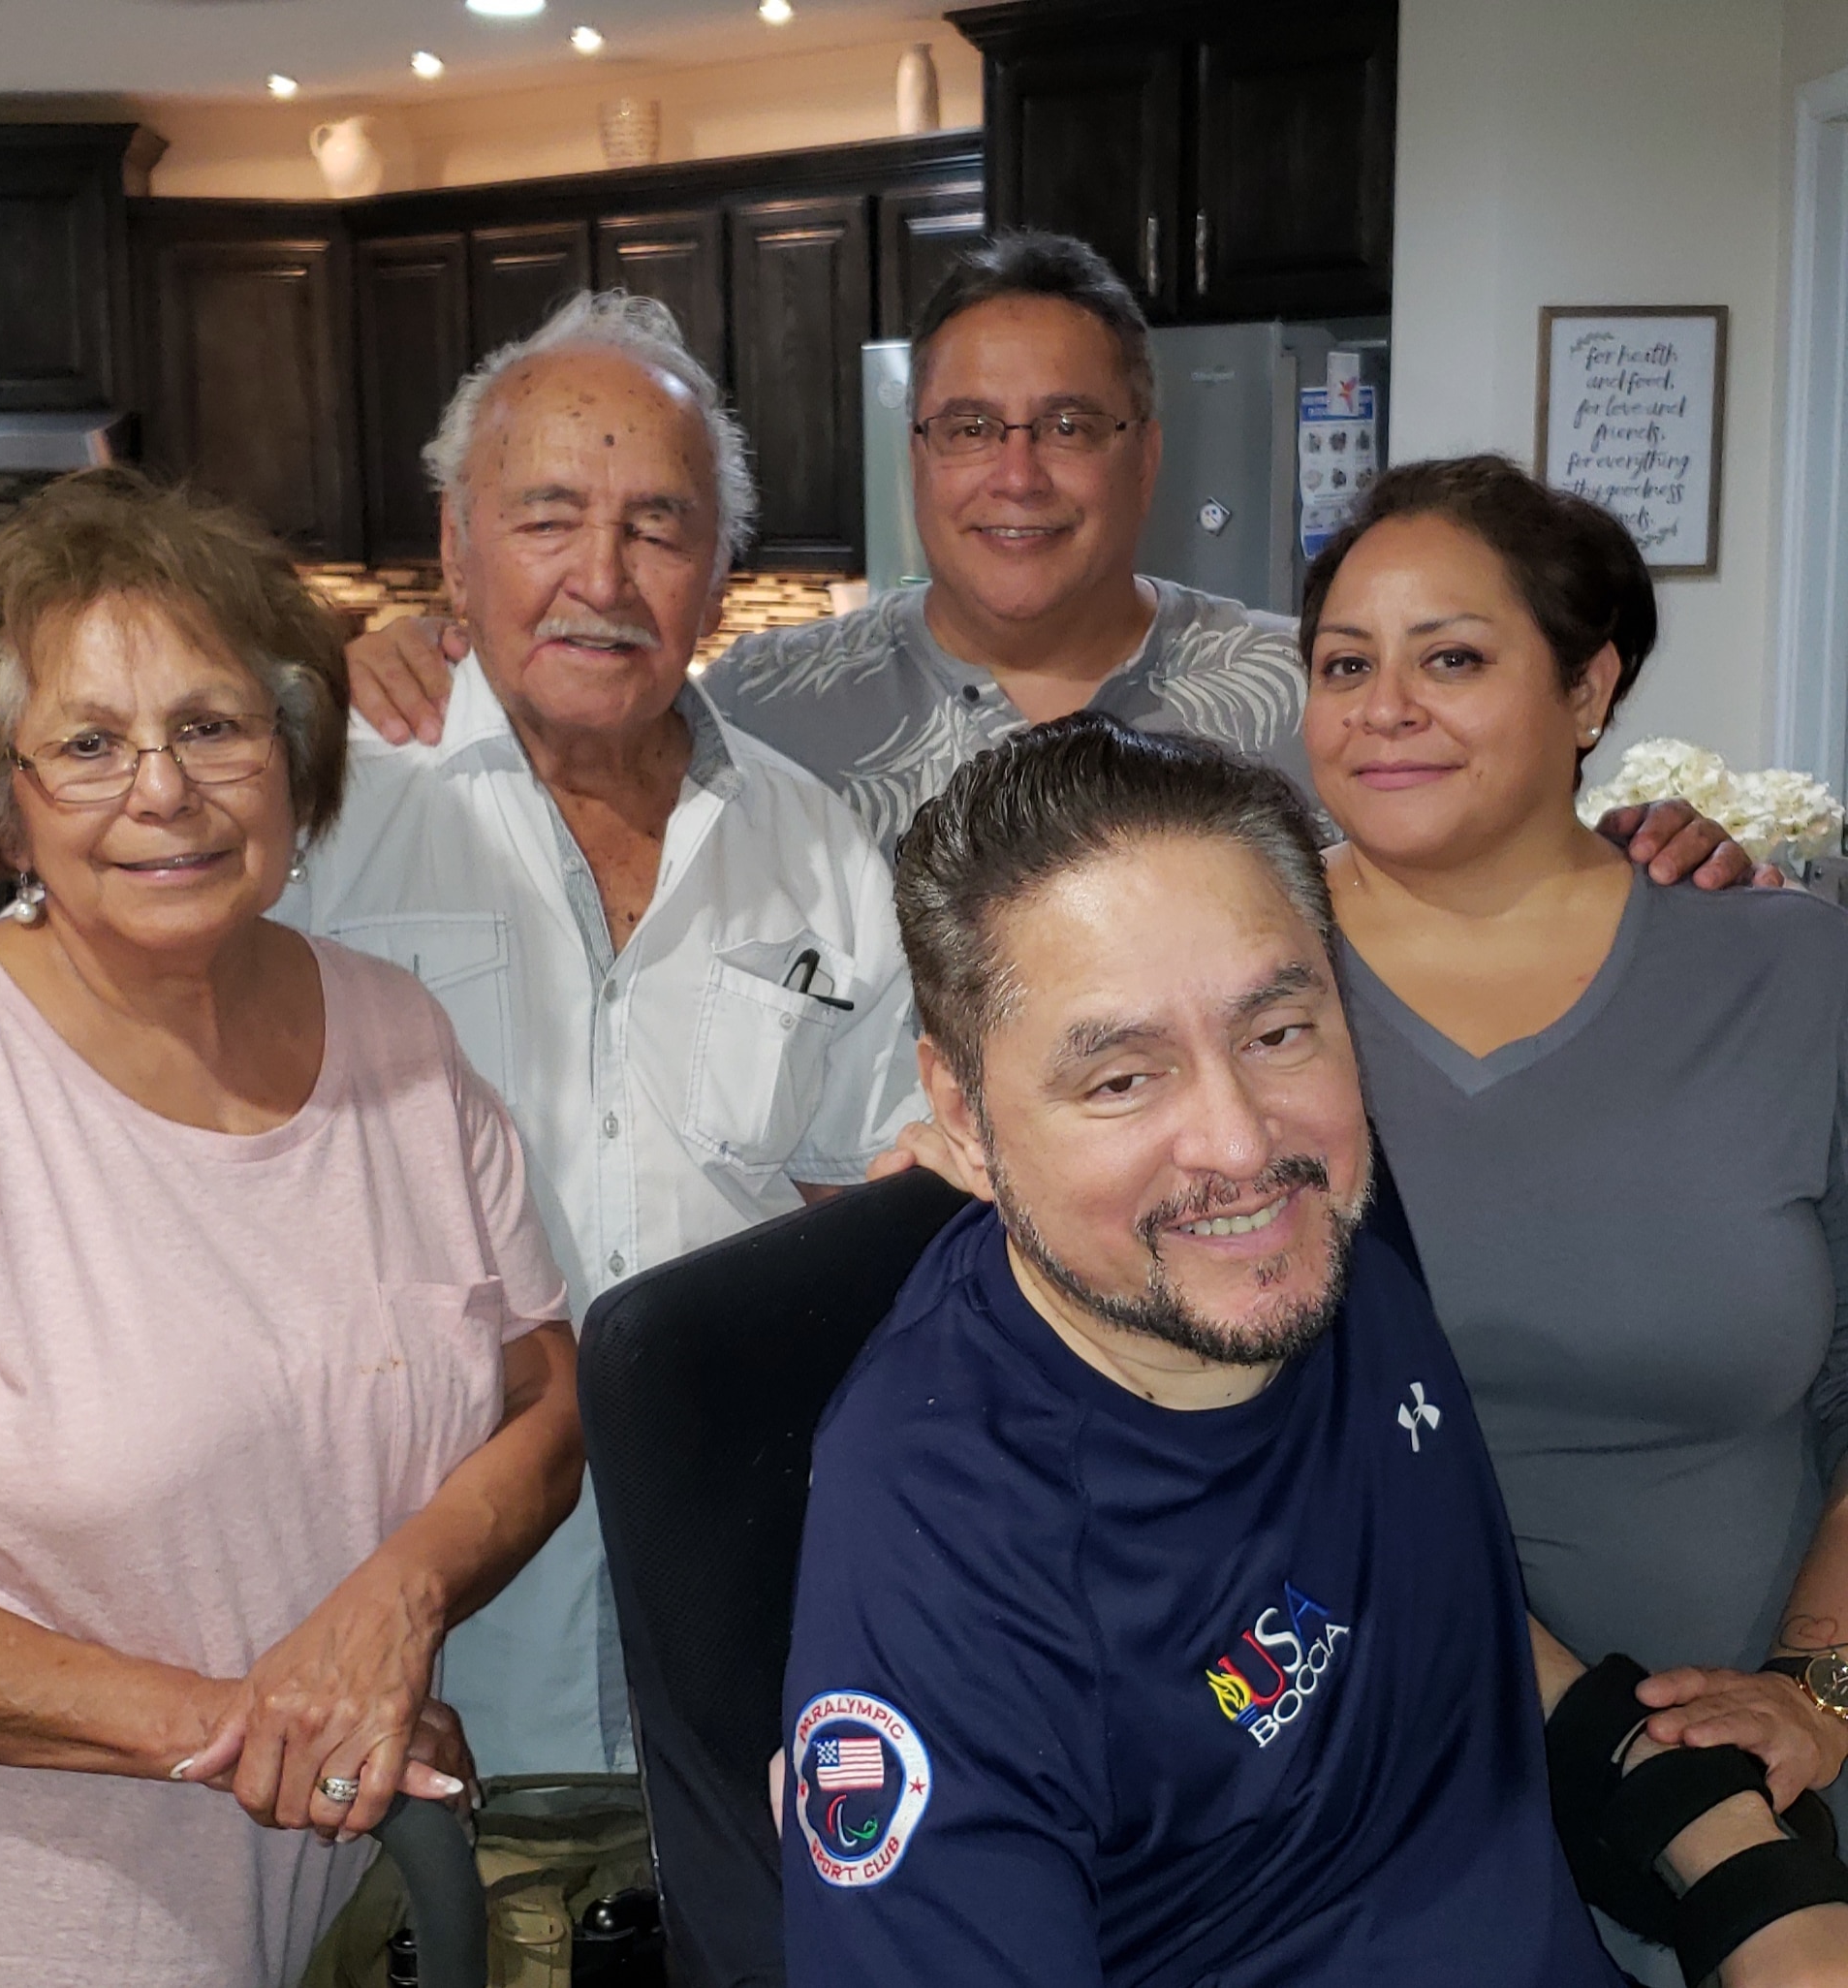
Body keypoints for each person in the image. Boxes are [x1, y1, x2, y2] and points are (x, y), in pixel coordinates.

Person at [781, 714, 1840, 1988]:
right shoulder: (945, 1550)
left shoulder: (1334, 1257)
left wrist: (1742, 1864)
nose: (1242, 1147)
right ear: (961, 1118)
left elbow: (1451, 1614)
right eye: (1122, 1078)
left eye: (1279, 1033)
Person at [280, 290, 926, 1781]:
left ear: (718, 567)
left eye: (657, 523)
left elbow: (868, 1216)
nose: (602, 575)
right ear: (455, 546)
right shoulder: (324, 810)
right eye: (549, 516)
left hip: (739, 1658)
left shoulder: (815, 846)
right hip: (410, 1658)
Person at [0, 468, 583, 1987]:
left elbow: (547, 1399)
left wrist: (397, 1602)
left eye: (214, 728)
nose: (163, 791)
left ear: (296, 765)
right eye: (89, 745)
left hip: (328, 1931)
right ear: (2, 806)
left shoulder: (396, 1034)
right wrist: (257, 1727)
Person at [345, 233, 1752, 887]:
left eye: (1069, 426)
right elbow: (558, 747)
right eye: (970, 429)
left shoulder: (1309, 694)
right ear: (918, 460)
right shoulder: (756, 707)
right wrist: (376, 664)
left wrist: (1654, 851)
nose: (1016, 476)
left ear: (1148, 451)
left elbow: (1496, 859)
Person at [1300, 455, 1848, 1984]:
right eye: (1346, 663)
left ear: (1591, 687)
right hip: (1353, 1807)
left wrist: (1821, 1690)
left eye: (1453, 657)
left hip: (1768, 1805)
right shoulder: (1233, 994)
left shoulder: (1795, 976)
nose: (1384, 706)